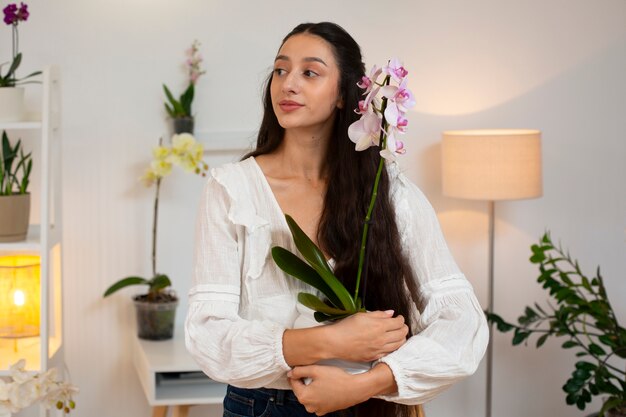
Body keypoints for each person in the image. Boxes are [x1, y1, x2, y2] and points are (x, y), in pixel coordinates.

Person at [185, 22, 489, 417]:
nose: (287, 84)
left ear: (345, 96)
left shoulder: (387, 190)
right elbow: (208, 331)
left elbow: (463, 321)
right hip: (264, 406)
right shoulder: (231, 189)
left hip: (368, 401)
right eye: (280, 70)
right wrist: (333, 341)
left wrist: (365, 383)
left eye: (309, 72)